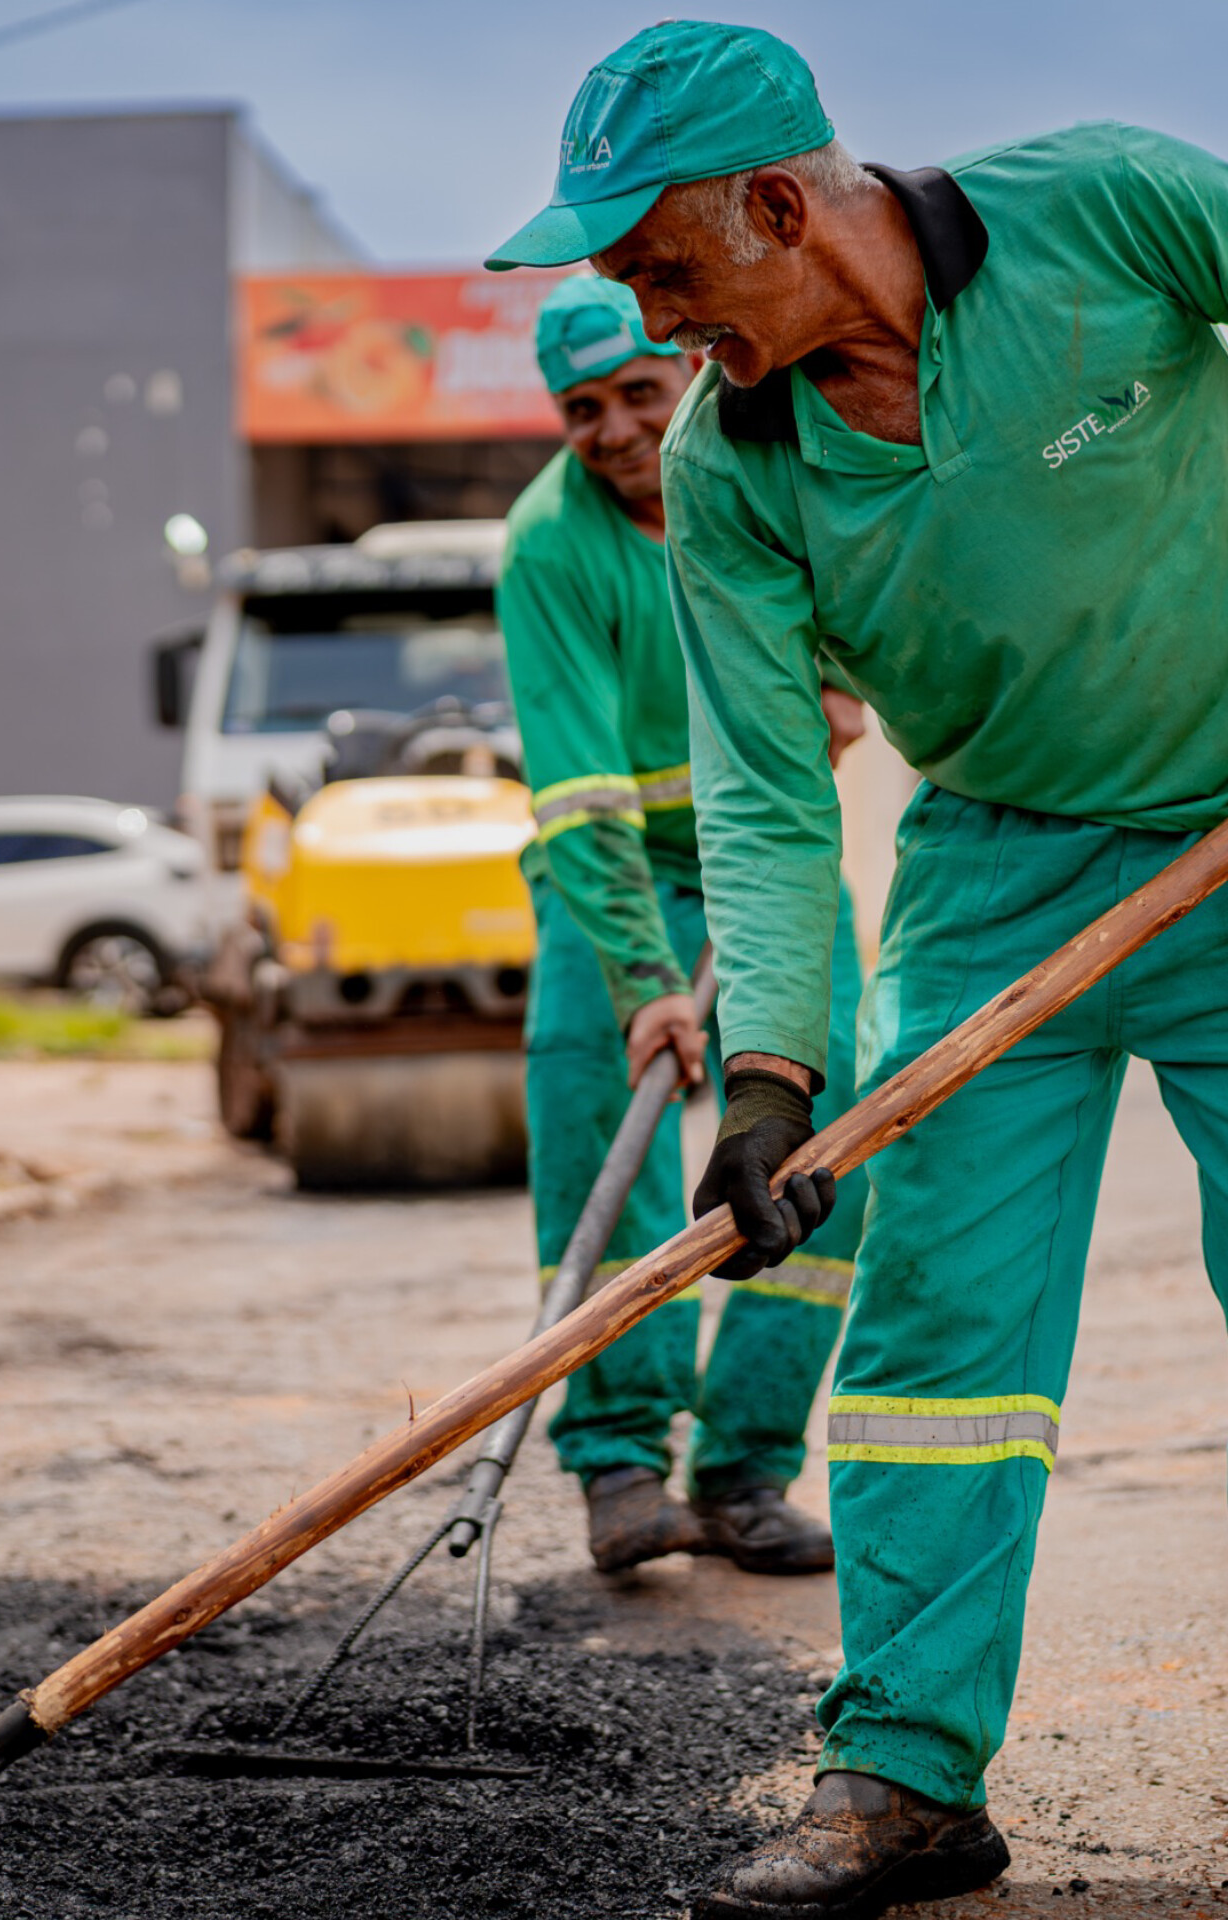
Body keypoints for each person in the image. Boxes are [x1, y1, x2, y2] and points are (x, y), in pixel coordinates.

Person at [493, 20, 1228, 1915]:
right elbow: (761, 798)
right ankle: (907, 1772)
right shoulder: (737, 467)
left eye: (664, 268)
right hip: (990, 874)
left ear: (776, 200)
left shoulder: (1117, 208)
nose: (652, 322)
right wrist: (773, 1076)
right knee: (935, 1353)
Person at [501, 276, 870, 1581]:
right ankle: (615, 1462)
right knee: (599, 1121)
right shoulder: (550, 546)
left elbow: (863, 587)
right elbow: (580, 793)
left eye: (636, 395)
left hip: (768, 865)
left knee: (833, 1137)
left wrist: (838, 677)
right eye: (580, 409)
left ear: (690, 376)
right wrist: (645, 983)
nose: (609, 430)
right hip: (619, 884)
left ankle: (743, 1471)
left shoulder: (769, 459)